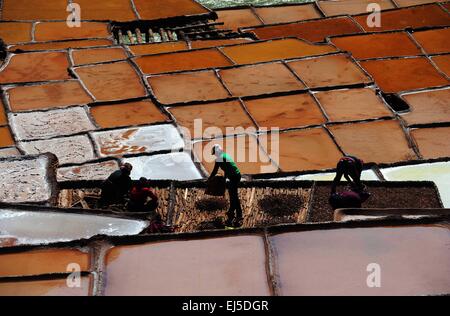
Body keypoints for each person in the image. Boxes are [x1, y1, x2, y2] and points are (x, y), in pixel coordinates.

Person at [209, 144, 243, 227]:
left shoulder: (219, 159)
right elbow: (227, 168)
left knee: (234, 195)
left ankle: (239, 215)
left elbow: (214, 171)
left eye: (215, 153)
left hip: (234, 177)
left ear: (217, 152)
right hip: (236, 175)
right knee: (232, 194)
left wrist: (209, 179)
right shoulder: (225, 155)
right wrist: (224, 178)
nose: (215, 155)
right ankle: (232, 211)